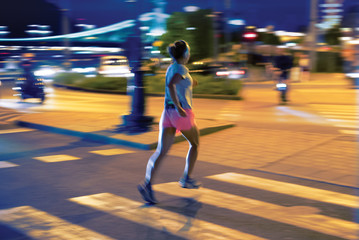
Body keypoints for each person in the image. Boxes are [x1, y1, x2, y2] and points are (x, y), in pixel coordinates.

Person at [138, 40, 200, 204]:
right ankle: (186, 178)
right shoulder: (180, 68)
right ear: (185, 53)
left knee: (161, 151)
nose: (189, 53)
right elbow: (172, 84)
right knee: (195, 144)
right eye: (189, 51)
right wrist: (179, 106)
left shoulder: (172, 67)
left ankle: (147, 184)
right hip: (181, 113)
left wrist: (192, 83)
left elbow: (176, 83)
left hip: (168, 113)